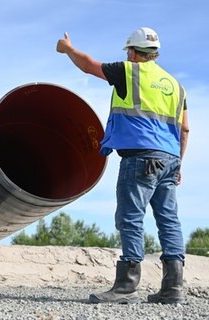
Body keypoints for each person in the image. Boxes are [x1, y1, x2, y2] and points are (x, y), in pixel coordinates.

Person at [56, 27, 190, 304]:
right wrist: (178, 164)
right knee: (169, 220)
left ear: (132, 52)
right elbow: (185, 129)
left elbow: (89, 66)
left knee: (130, 218)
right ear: (155, 52)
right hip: (169, 159)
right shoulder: (176, 86)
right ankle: (173, 288)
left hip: (140, 157)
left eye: (128, 51)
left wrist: (68, 49)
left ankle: (126, 286)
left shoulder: (129, 72)